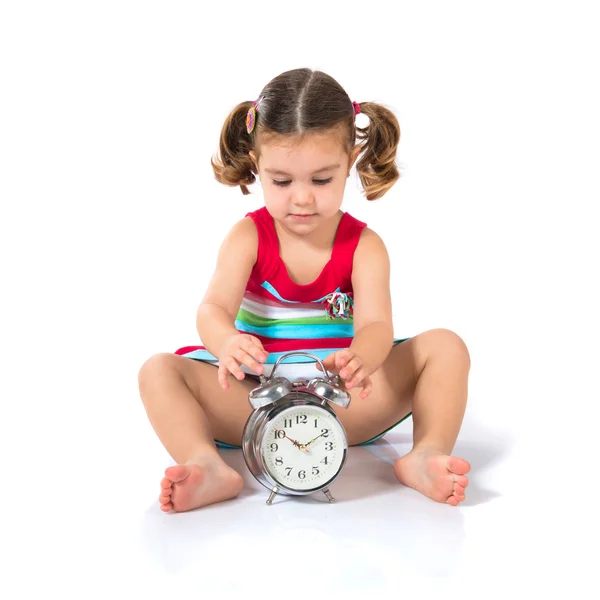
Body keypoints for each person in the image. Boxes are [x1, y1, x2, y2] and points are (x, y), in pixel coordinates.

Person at [138, 68, 471, 513]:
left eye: (321, 180)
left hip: (342, 405)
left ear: (349, 163)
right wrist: (227, 342)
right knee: (158, 371)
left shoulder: (364, 247)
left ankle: (426, 452)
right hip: (257, 406)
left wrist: (362, 358)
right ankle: (207, 464)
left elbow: (375, 324)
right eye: (281, 181)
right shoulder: (248, 237)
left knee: (446, 347)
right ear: (257, 166)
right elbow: (212, 308)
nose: (302, 199)